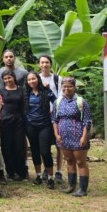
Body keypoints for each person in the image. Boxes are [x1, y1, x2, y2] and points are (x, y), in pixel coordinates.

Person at [52, 77, 92, 197]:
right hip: (63, 136)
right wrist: (56, 134)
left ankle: (82, 189)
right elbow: (54, 119)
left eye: (69, 86)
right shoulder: (58, 102)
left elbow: (87, 121)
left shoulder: (81, 102)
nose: (67, 89)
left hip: (78, 135)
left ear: (74, 87)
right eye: (64, 86)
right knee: (69, 160)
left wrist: (84, 137)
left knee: (80, 161)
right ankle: (71, 185)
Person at [24, 71, 57, 188]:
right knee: (35, 151)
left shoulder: (46, 91)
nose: (31, 81)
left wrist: (53, 113)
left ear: (38, 79)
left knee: (45, 151)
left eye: (33, 79)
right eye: (29, 80)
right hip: (30, 125)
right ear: (27, 82)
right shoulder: (26, 93)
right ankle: (38, 175)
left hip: (45, 125)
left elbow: (56, 103)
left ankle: (50, 177)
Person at [0, 70, 28, 181]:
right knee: (7, 147)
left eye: (9, 78)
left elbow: (24, 106)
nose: (7, 80)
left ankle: (21, 172)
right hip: (5, 121)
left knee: (19, 146)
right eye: (5, 79)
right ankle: (10, 173)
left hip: (18, 121)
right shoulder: (0, 91)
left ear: (13, 77)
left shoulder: (21, 90)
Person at [38, 55, 63, 184]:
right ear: (38, 64)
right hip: (43, 116)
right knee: (44, 145)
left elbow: (60, 97)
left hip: (56, 115)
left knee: (59, 144)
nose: (44, 65)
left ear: (50, 64)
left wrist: (55, 110)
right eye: (42, 62)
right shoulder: (36, 79)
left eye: (46, 62)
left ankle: (59, 171)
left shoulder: (57, 79)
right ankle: (46, 169)